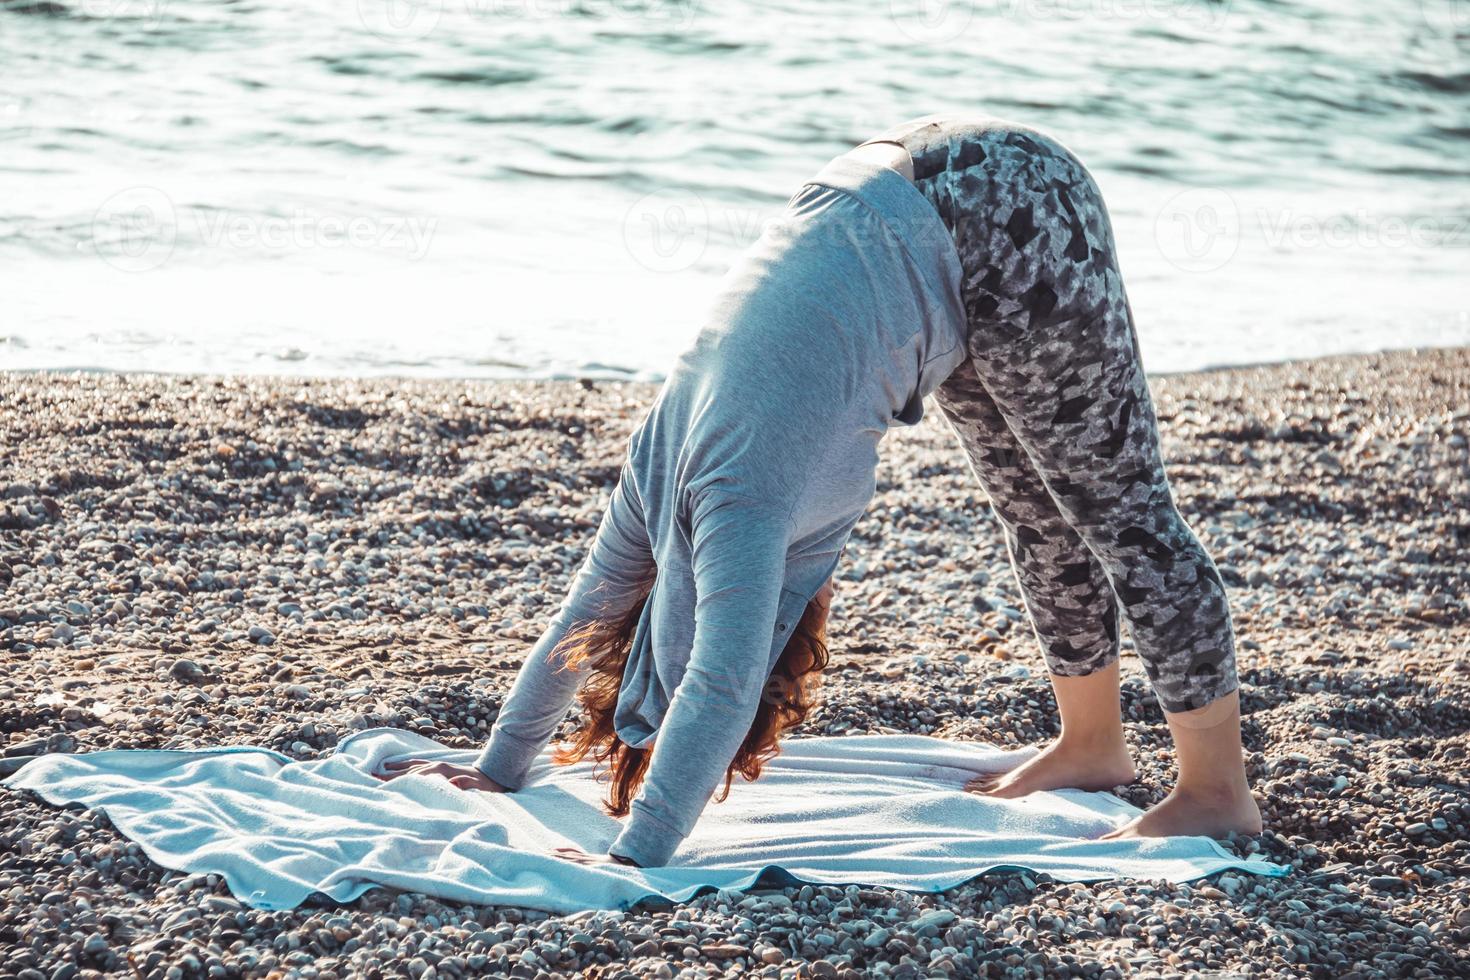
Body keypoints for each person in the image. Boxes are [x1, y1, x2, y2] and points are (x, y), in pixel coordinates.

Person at [377, 112, 1262, 865]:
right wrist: (498, 767)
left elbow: (720, 687)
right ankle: (1091, 744)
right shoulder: (655, 468)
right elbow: (585, 617)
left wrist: (635, 852)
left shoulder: (741, 510)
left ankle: (1217, 790)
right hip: (901, 211)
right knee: (1035, 510)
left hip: (1004, 208)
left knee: (1124, 515)